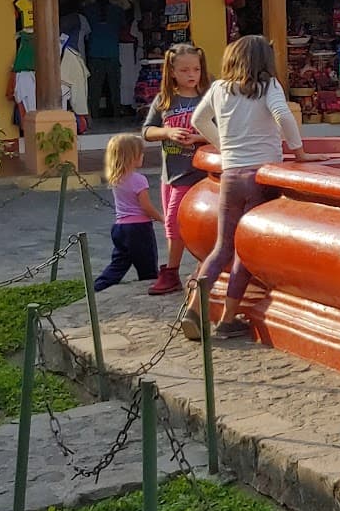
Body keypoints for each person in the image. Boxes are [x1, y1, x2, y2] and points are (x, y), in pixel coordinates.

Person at [183, 36, 306, 341]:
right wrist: (299, 152)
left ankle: (195, 308)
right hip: (260, 178)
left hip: (231, 175)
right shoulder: (268, 87)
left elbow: (199, 120)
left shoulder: (219, 89)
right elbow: (284, 116)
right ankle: (227, 319)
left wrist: (224, 146)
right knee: (244, 251)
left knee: (221, 247)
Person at [141, 43, 210, 295]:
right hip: (170, 173)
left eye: (196, 69)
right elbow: (147, 131)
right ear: (172, 72)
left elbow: (223, 133)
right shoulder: (164, 100)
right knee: (173, 226)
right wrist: (168, 132)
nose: (191, 75)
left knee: (173, 222)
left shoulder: (208, 99)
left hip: (196, 173)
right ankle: (181, 270)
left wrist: (198, 138)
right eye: (184, 70)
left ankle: (171, 272)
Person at [94, 133, 163, 292]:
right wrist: (161, 218)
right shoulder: (139, 180)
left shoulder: (116, 178)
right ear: (133, 156)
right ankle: (152, 287)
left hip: (120, 228)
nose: (143, 155)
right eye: (140, 153)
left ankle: (99, 286)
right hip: (139, 229)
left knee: (120, 262)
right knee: (147, 264)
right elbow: (145, 206)